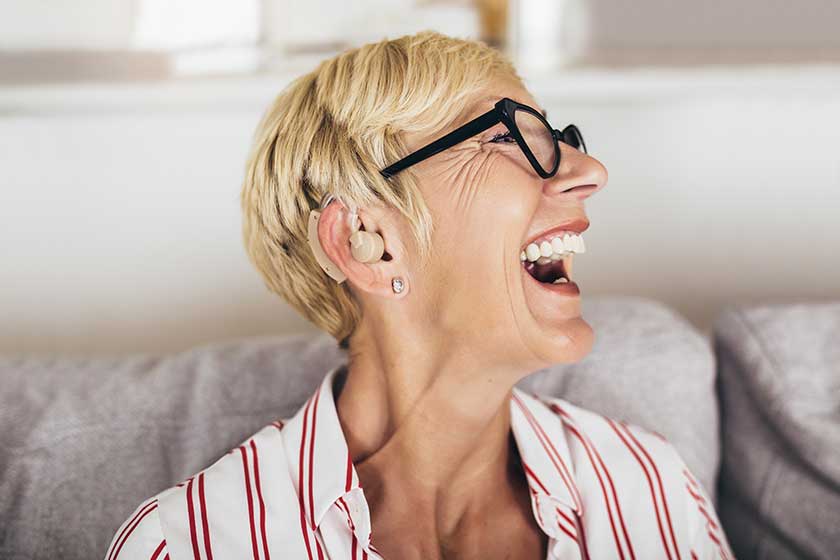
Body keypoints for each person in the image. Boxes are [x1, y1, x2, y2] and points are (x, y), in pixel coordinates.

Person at [105, 30, 734, 559]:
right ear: (368, 244)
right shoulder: (189, 544)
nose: (589, 171)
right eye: (508, 137)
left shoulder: (649, 489)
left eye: (555, 137)